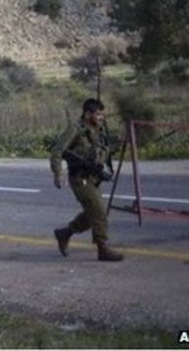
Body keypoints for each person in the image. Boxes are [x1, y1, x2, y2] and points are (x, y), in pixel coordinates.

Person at [50, 98, 123, 262]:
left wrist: (119, 144)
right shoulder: (75, 129)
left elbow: (102, 151)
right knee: (98, 213)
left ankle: (65, 233)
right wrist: (57, 173)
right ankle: (102, 249)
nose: (101, 118)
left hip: (92, 178)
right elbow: (57, 150)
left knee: (94, 213)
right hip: (79, 179)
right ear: (87, 113)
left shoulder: (97, 130)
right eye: (98, 114)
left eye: (102, 115)